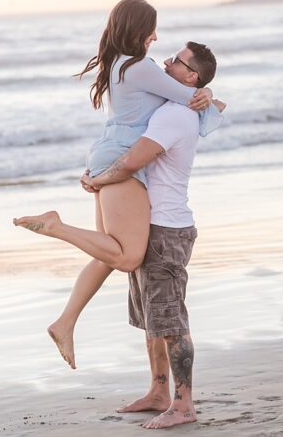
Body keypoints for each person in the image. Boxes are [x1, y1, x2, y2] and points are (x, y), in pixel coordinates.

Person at [13, 0, 222, 368]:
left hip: (109, 154)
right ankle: (55, 225)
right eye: (152, 29)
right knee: (127, 256)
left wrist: (205, 96)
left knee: (107, 253)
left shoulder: (121, 64)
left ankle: (64, 323)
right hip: (123, 161)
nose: (156, 38)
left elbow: (186, 97)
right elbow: (192, 99)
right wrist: (209, 96)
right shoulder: (140, 68)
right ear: (138, 29)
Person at [78, 41, 217, 429]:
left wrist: (95, 180)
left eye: (177, 61)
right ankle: (158, 391)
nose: (167, 62)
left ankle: (183, 403)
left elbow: (134, 160)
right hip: (149, 224)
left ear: (192, 77)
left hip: (167, 229)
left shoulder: (175, 115)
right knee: (152, 319)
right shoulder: (172, 106)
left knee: (170, 321)